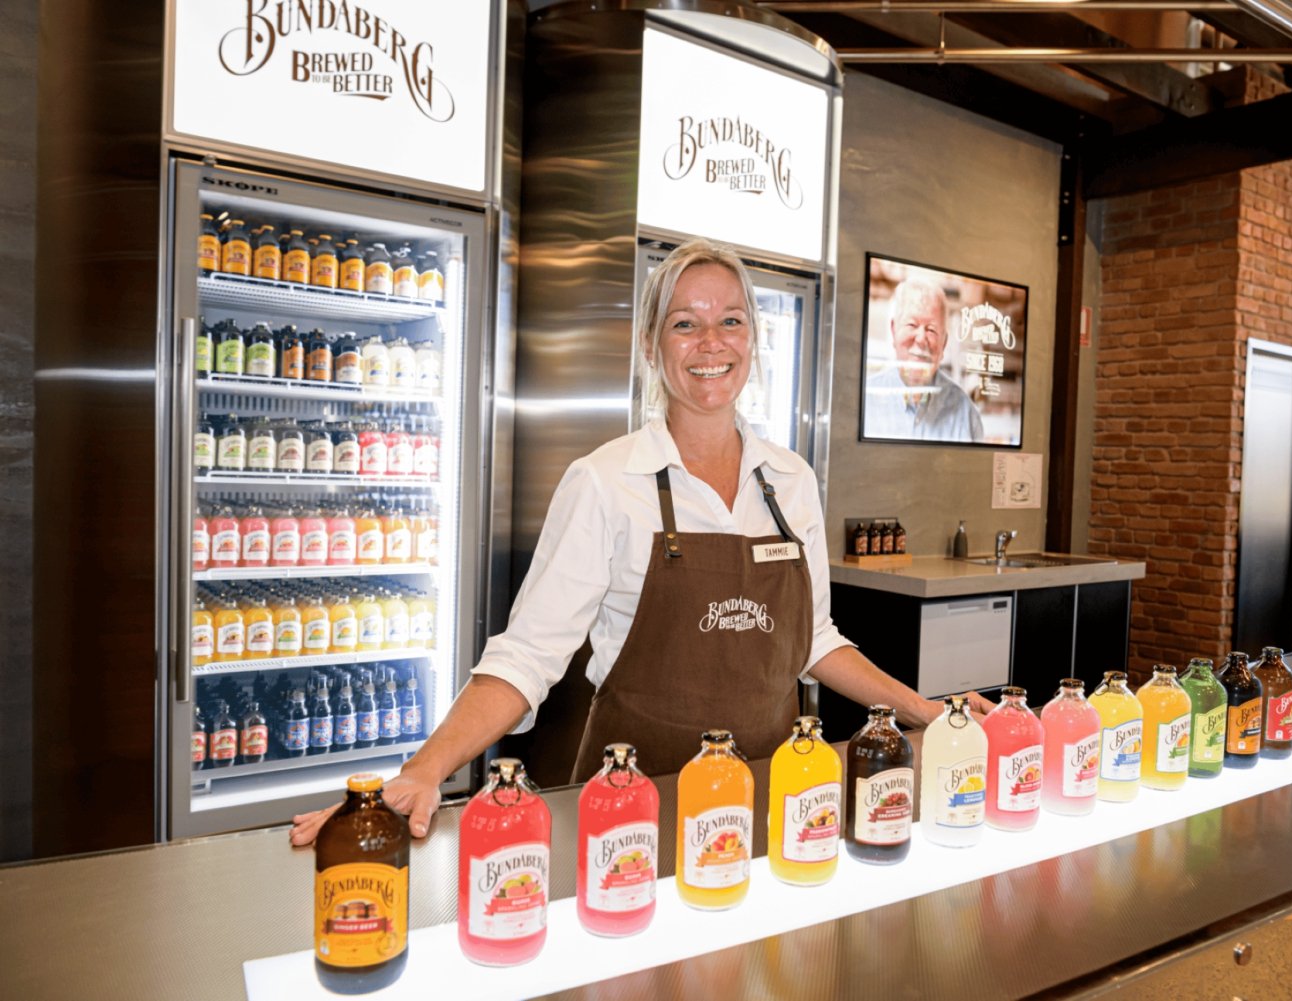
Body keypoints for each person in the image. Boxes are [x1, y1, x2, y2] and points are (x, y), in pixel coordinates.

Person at [290, 241, 992, 845]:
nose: (711, 342)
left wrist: (926, 709)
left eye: (730, 321)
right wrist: (422, 770)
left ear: (753, 339)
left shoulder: (791, 481)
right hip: (629, 807)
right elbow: (527, 654)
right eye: (686, 324)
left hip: (770, 798)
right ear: (653, 346)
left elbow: (813, 638)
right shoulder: (604, 482)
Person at [863, 277, 985, 442]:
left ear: (944, 343)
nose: (921, 339)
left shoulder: (967, 414)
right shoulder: (864, 403)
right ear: (893, 331)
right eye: (912, 325)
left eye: (931, 330)